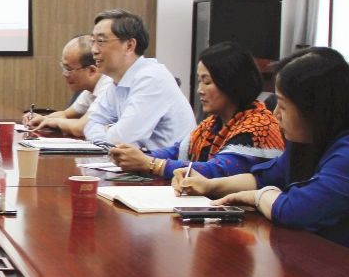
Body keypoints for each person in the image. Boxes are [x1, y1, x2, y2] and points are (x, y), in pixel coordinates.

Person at [177, 47, 349, 269]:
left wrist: (258, 196)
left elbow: (294, 210)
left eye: (283, 105)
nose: (275, 114)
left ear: (315, 108)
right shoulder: (311, 142)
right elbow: (267, 175)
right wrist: (211, 185)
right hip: (321, 264)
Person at [109, 41, 284, 178]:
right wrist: (134, 156)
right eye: (199, 81)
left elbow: (218, 171)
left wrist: (150, 163)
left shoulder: (259, 127)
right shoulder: (212, 124)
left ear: (231, 82)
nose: (200, 90)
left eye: (207, 82)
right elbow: (176, 151)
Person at [83, 9, 196, 150]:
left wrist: (107, 130)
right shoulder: (117, 81)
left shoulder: (152, 78)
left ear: (129, 46)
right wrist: (109, 132)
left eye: (101, 41)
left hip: (166, 163)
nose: (94, 50)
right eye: (93, 41)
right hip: (137, 161)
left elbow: (123, 139)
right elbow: (90, 124)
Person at [24, 34, 113, 137]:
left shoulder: (108, 87)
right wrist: (43, 119)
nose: (64, 74)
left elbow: (81, 128)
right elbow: (66, 115)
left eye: (69, 69)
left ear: (92, 70)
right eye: (63, 67)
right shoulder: (90, 90)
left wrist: (55, 122)